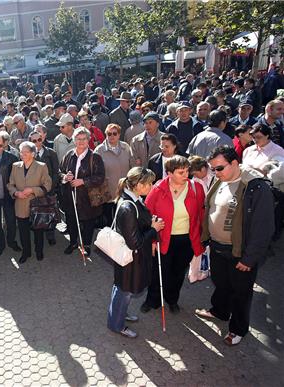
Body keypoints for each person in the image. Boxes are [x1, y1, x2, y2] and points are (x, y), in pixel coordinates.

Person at [196, 145, 274, 346]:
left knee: (241, 293)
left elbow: (263, 228)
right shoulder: (218, 180)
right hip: (218, 248)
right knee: (221, 284)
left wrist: (249, 258)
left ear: (234, 163)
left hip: (241, 253)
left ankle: (238, 329)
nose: (215, 172)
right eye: (213, 168)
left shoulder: (256, 187)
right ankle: (219, 311)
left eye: (219, 168)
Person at [141, 156, 205, 314]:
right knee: (158, 272)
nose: (186, 175)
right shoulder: (157, 189)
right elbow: (147, 215)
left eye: (187, 171)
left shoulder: (196, 188)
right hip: (163, 239)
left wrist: (203, 238)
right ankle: (152, 300)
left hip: (186, 240)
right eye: (181, 172)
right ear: (169, 173)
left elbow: (202, 214)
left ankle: (172, 299)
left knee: (177, 273)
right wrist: (151, 239)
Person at [107, 167, 164, 338]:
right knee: (124, 290)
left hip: (132, 259)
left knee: (122, 288)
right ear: (138, 184)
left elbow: (137, 226)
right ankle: (116, 324)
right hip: (131, 259)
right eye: (149, 183)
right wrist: (154, 229)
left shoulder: (134, 198)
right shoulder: (128, 206)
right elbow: (135, 243)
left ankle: (119, 314)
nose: (152, 186)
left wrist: (150, 223)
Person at [59, 127, 106, 255]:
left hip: (87, 197)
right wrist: (65, 177)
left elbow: (100, 177)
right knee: (71, 221)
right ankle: (73, 242)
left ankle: (86, 245)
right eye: (78, 139)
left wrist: (83, 181)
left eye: (84, 139)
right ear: (74, 140)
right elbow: (60, 172)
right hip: (71, 196)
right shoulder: (69, 155)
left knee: (88, 222)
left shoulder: (95, 157)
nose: (81, 142)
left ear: (88, 140)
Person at [7, 141, 52, 262]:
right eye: (21, 152)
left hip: (37, 204)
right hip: (20, 204)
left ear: (33, 153)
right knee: (23, 231)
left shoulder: (41, 166)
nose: (23, 154)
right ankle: (26, 252)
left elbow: (47, 185)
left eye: (26, 152)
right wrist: (16, 193)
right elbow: (10, 184)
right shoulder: (15, 166)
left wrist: (33, 190)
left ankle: (39, 251)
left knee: (38, 230)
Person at [94, 123, 134, 225]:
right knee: (109, 220)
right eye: (109, 133)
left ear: (119, 135)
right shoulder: (99, 150)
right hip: (108, 191)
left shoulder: (126, 147)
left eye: (114, 133)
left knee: (123, 219)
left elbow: (132, 166)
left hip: (124, 190)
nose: (111, 136)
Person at [30, 127, 60, 245]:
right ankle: (38, 235)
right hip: (35, 190)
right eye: (34, 141)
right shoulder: (29, 154)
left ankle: (50, 235)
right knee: (37, 213)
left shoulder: (51, 153)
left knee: (50, 212)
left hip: (49, 189)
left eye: (39, 139)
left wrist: (50, 187)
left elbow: (55, 172)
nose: (37, 142)